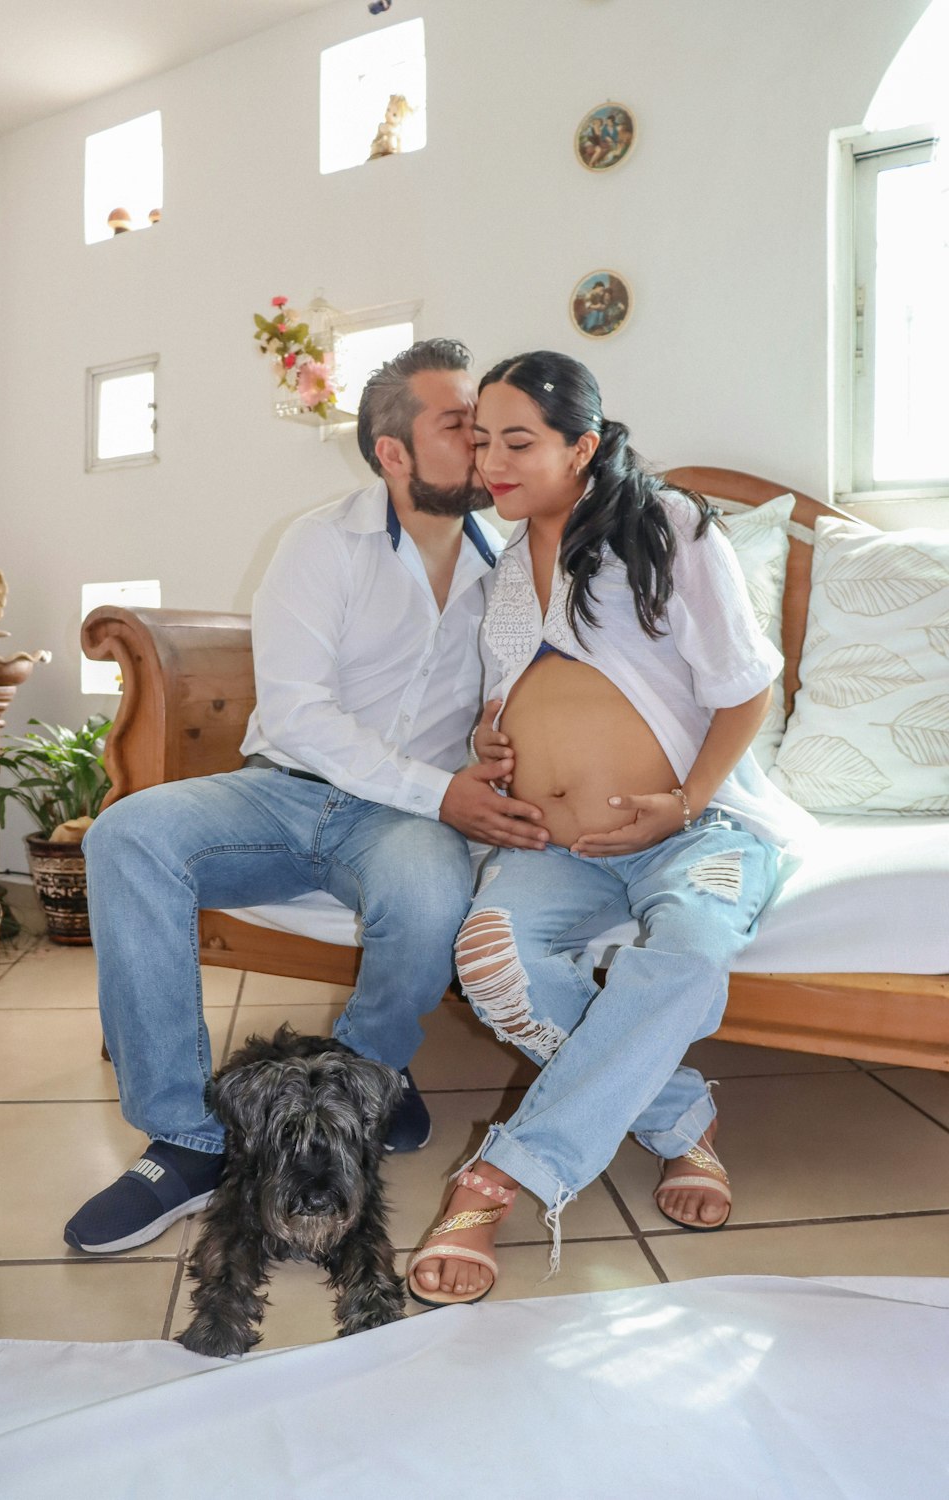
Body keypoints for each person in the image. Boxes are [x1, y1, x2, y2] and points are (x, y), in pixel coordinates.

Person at [64, 338, 549, 1256]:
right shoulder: (321, 542)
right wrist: (442, 789)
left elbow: (527, 692)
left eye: (488, 427)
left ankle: (366, 1087)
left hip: (405, 822)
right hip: (284, 794)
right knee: (127, 835)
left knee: (425, 891)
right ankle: (189, 1137)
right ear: (392, 452)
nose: (484, 443)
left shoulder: (516, 565)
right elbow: (298, 712)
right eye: (460, 425)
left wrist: (495, 748)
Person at [407, 350, 816, 1307]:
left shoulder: (669, 525)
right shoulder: (508, 569)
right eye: (482, 441)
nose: (493, 462)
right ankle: (681, 1122)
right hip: (555, 845)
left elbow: (747, 688)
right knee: (494, 963)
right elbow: (507, 699)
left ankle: (500, 1177)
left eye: (520, 442)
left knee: (689, 949)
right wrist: (492, 747)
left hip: (695, 828)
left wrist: (682, 801)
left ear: (582, 445)